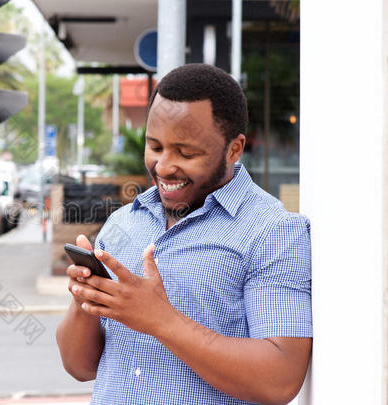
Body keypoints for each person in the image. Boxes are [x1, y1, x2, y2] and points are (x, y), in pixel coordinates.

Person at [56, 64, 312, 405]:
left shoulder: (274, 232)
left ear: (234, 149)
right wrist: (86, 299)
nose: (163, 166)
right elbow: (80, 367)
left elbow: (280, 378)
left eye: (186, 153)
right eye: (155, 147)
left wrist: (162, 320)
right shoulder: (122, 224)